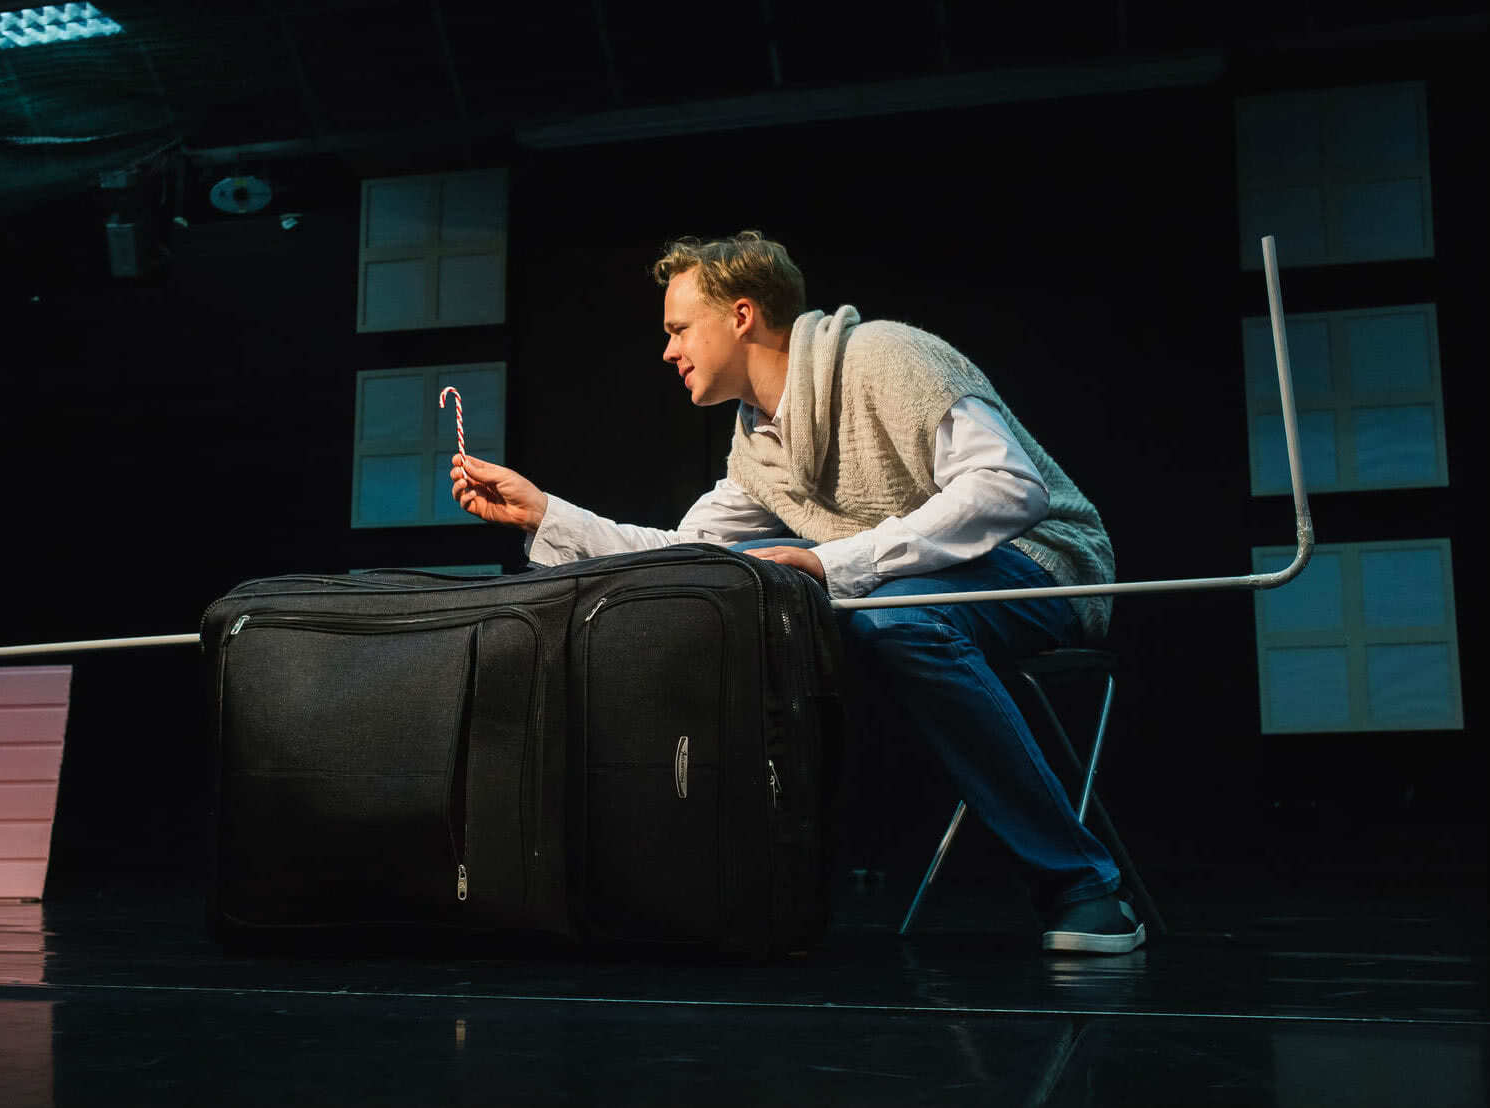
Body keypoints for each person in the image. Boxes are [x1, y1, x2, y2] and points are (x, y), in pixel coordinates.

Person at [449, 231, 1143, 955]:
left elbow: (1007, 488)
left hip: (1042, 565)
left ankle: (1084, 886)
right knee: (726, 585)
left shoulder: (884, 356)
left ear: (741, 315)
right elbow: (688, 557)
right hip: (914, 584)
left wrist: (829, 563)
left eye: (679, 329)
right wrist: (544, 514)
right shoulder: (757, 445)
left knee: (894, 621)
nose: (668, 350)